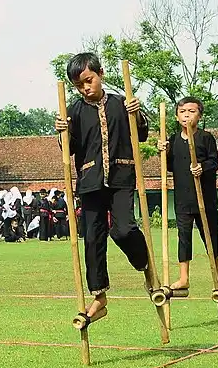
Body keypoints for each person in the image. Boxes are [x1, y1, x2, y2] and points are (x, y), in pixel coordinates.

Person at [53, 53, 150, 327]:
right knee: (93, 239)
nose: (85, 87)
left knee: (123, 229)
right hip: (90, 181)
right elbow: (68, 150)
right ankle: (99, 297)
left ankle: (144, 263)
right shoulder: (73, 111)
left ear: (101, 74)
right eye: (79, 84)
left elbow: (141, 134)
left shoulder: (122, 103)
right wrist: (62, 132)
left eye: (89, 80)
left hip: (121, 176)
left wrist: (138, 115)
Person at [165, 97, 218, 295]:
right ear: (176, 116)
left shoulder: (205, 137)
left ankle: (216, 273)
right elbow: (168, 167)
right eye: (182, 111)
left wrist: (202, 167)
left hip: (205, 199)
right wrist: (162, 152)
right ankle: (184, 277)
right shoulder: (173, 140)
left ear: (199, 115)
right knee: (183, 237)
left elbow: (215, 162)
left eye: (191, 111)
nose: (186, 115)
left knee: (210, 237)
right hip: (183, 199)